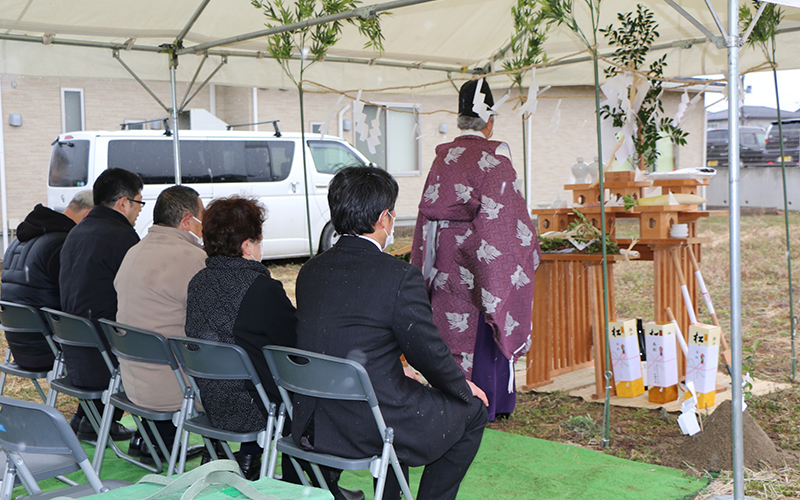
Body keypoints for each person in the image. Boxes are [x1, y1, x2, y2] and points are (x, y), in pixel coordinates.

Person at [294, 166, 489, 500]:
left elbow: (341, 337)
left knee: (408, 392)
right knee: (472, 411)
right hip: (371, 424)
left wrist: (397, 368)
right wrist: (462, 388)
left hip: (315, 420)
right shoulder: (399, 276)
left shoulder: (311, 270)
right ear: (384, 218)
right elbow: (427, 351)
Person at [410, 78, 542, 421]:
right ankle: (489, 403)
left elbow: (426, 216)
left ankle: (450, 399)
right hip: (482, 265)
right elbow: (510, 226)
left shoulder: (443, 158)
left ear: (459, 119)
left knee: (449, 330)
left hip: (443, 262)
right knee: (487, 321)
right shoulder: (496, 160)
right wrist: (529, 245)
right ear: (490, 122)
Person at [114, 185, 206, 462]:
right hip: (175, 387)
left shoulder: (134, 251)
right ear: (188, 221)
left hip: (132, 382)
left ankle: (153, 440)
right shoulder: (192, 258)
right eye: (204, 218)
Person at [59, 168, 144, 442]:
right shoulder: (120, 236)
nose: (140, 211)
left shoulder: (78, 231)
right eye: (139, 202)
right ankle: (153, 435)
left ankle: (87, 419)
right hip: (105, 349)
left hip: (75, 344)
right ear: (123, 202)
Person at [1, 191, 92, 371]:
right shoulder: (62, 244)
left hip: (20, 347)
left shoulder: (17, 242)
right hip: (48, 349)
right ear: (88, 215)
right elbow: (76, 298)